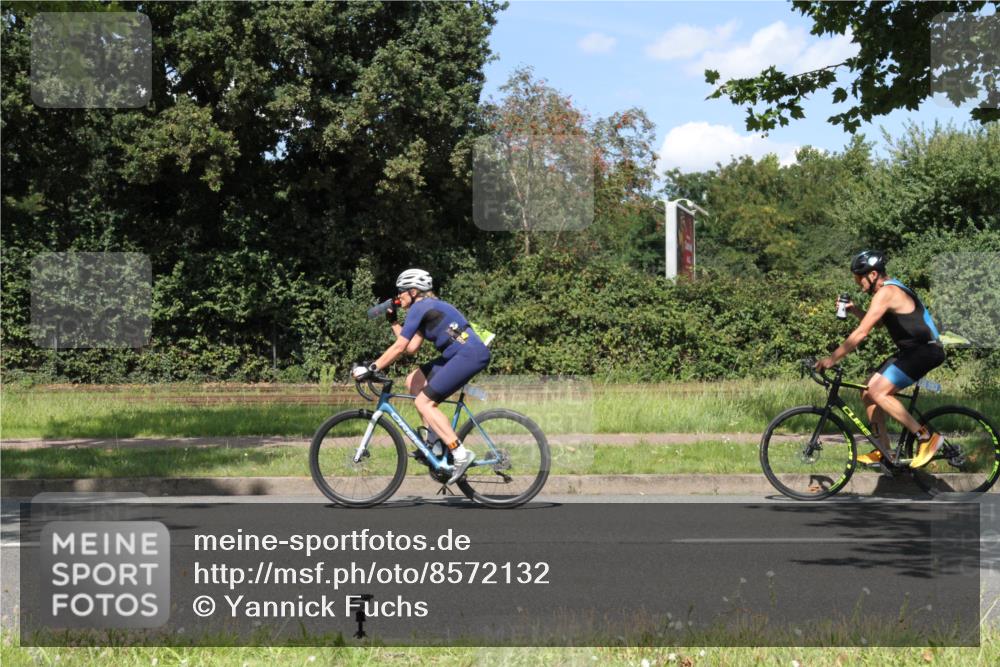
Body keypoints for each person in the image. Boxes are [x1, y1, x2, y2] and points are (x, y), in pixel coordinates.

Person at [352, 268, 491, 484]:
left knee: (424, 403)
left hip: (468, 355)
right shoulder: (426, 308)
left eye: (401, 292)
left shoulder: (421, 307)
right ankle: (434, 444)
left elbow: (399, 347)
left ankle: (460, 453)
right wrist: (393, 322)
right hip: (460, 354)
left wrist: (372, 367)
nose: (398, 297)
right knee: (413, 381)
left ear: (414, 291)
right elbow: (411, 347)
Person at [815, 250, 946, 468]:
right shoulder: (886, 292)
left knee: (878, 392)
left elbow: (862, 333)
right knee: (867, 391)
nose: (857, 282)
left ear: (873, 274)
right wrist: (855, 309)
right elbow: (878, 323)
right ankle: (883, 450)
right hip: (912, 350)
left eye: (859, 277)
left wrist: (832, 358)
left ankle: (927, 438)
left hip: (925, 350)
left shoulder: (887, 292)